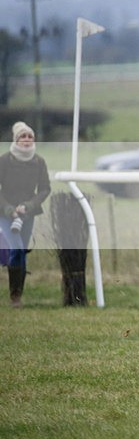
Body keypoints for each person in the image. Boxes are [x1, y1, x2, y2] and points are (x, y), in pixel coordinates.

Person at [0, 122, 51, 307]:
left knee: (21, 252)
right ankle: (15, 297)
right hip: (5, 213)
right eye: (23, 137)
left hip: (27, 214)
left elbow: (45, 189)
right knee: (16, 249)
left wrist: (29, 206)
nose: (27, 140)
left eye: (30, 136)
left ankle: (17, 295)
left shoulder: (39, 162)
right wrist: (8, 209)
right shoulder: (4, 160)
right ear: (16, 140)